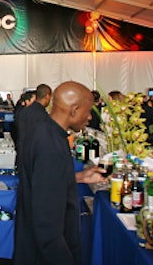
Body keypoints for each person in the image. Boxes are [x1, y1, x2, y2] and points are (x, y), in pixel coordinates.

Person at [14, 81, 106, 265]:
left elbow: (41, 182)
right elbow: (48, 228)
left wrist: (78, 177)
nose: (89, 118)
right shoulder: (51, 146)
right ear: (73, 110)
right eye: (87, 111)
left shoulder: (45, 132)